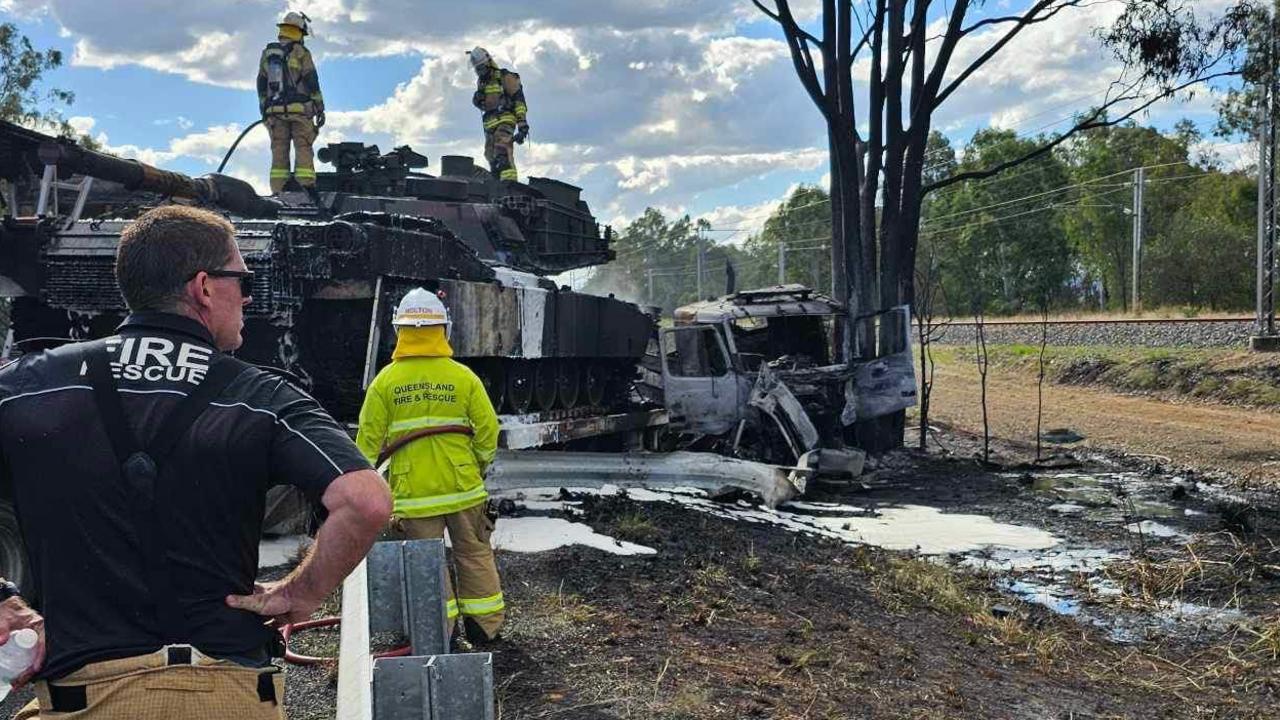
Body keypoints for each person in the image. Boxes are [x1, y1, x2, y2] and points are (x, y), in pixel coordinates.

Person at [0, 204, 391, 718]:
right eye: (243, 281)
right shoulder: (260, 395)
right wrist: (303, 591)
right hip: (224, 693)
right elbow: (365, 501)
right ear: (204, 288)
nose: (248, 297)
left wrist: (5, 599)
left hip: (82, 698)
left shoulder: (30, 382)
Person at [355, 288, 504, 645]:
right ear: (443, 329)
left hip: (414, 496)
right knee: (475, 555)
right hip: (465, 488)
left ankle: (442, 633)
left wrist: (362, 489)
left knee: (428, 567)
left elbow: (366, 444)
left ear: (399, 331)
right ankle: (486, 629)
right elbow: (488, 430)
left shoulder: (385, 383)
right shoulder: (463, 377)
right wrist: (476, 466)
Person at [257, 11, 325, 194]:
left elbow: (261, 83)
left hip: (274, 112)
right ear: (298, 32)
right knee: (303, 147)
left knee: (279, 150)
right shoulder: (301, 52)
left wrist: (264, 106)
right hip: (300, 110)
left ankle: (278, 192)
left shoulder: (269, 54)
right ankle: (305, 190)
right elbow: (312, 80)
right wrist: (320, 107)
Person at [469, 47, 529, 182]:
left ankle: (509, 185)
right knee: (490, 155)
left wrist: (522, 124)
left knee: (502, 151)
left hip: (505, 121)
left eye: (481, 68)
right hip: (490, 126)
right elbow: (487, 105)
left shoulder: (504, 76)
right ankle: (496, 185)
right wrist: (478, 101)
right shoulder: (482, 83)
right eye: (477, 69)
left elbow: (519, 100)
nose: (479, 71)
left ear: (488, 63)